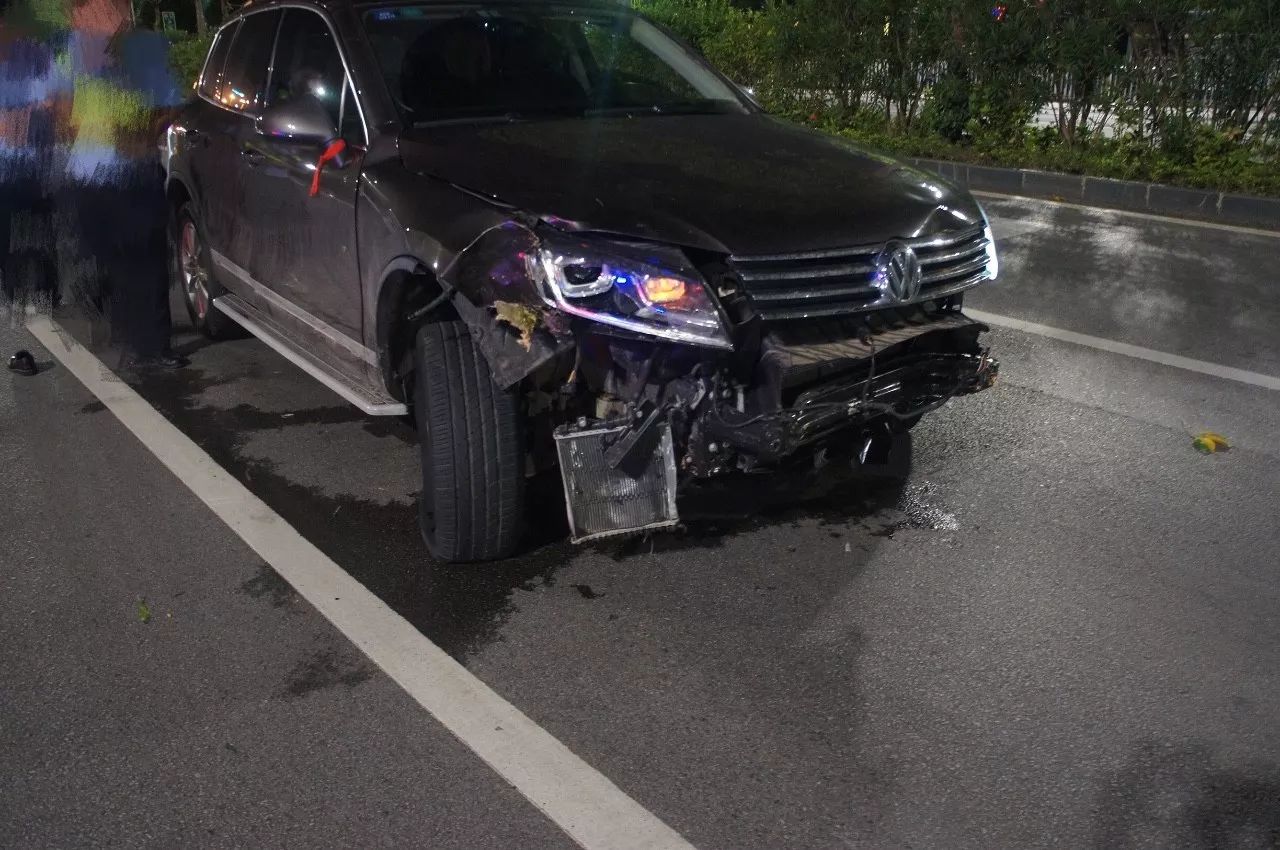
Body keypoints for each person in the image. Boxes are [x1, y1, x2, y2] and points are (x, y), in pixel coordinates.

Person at [60, 10, 187, 369]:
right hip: (92, 176)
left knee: (148, 257)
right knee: (108, 257)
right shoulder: (74, 55)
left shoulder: (146, 54)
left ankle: (155, 345)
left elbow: (172, 104)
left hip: (136, 172)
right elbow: (63, 113)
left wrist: (146, 134)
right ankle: (123, 326)